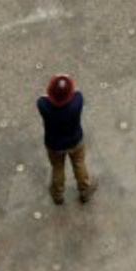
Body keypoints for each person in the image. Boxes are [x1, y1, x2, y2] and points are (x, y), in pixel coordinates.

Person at [37, 74, 96, 206]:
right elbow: (76, 92)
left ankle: (58, 195)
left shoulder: (43, 105)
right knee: (79, 163)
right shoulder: (77, 102)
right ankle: (85, 191)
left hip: (54, 144)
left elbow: (43, 97)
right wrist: (65, 78)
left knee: (57, 168)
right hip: (75, 140)